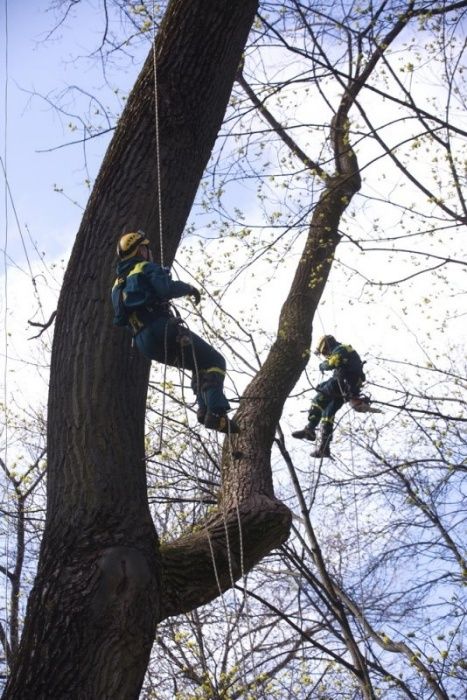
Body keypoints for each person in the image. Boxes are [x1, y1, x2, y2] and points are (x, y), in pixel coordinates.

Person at [111, 230, 239, 435]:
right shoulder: (144, 267)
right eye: (146, 248)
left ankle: (205, 409)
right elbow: (166, 289)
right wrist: (188, 288)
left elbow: (120, 320)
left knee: (199, 366)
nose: (149, 252)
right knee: (215, 361)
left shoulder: (117, 286)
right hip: (160, 329)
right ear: (139, 251)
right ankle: (215, 412)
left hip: (144, 342)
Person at [292, 334, 366, 457]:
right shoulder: (344, 352)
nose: (325, 355)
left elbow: (333, 362)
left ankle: (309, 429)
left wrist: (322, 366)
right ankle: (324, 448)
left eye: (324, 352)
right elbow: (337, 370)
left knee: (318, 400)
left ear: (326, 345)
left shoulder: (342, 348)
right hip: (346, 387)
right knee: (327, 413)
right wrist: (322, 385)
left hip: (343, 382)